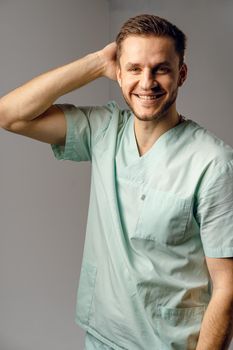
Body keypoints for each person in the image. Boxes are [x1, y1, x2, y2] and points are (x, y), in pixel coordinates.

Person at [0, 13, 233, 350]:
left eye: (161, 69)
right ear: (119, 74)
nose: (147, 82)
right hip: (101, 338)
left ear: (181, 74)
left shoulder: (213, 163)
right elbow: (10, 114)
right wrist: (95, 63)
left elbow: (227, 288)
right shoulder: (105, 130)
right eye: (135, 69)